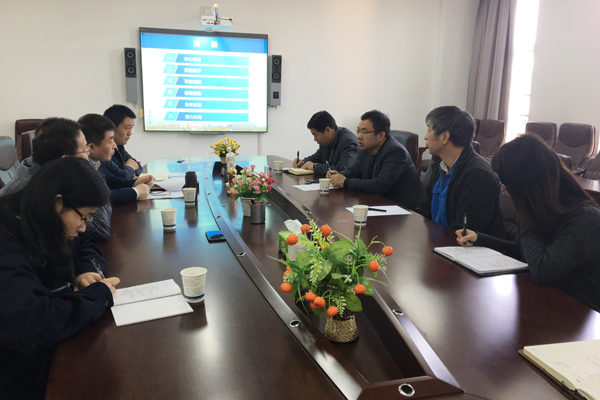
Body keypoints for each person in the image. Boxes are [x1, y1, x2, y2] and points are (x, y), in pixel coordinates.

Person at [0, 157, 120, 399]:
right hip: (22, 378)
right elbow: (34, 325)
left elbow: (84, 246)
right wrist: (98, 296)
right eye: (84, 217)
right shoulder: (6, 243)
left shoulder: (41, 220)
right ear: (58, 203)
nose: (84, 227)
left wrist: (84, 271)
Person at [457, 134, 600, 311]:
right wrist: (480, 239)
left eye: (507, 187)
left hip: (578, 314)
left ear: (527, 187)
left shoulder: (585, 220)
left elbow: (542, 270)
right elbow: (522, 251)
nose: (507, 193)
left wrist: (528, 215)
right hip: (543, 304)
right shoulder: (545, 211)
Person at [0, 117, 111, 241]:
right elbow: (100, 229)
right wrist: (89, 170)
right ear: (66, 159)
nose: (88, 155)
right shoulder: (40, 189)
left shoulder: (39, 164)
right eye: (85, 150)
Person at [418, 106, 504, 237]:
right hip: (437, 240)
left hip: (462, 247)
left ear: (444, 136)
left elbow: (464, 231)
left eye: (429, 130)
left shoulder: (478, 176)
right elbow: (424, 211)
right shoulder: (440, 167)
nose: (425, 137)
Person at [328, 110, 422, 210]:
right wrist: (338, 175)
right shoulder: (367, 149)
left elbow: (380, 185)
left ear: (381, 135)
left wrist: (345, 182)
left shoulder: (396, 152)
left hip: (402, 209)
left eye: (364, 132)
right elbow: (355, 170)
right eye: (358, 131)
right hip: (378, 202)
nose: (359, 136)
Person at [78, 114, 151, 205]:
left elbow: (112, 181)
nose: (114, 145)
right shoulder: (80, 169)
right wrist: (136, 192)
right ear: (92, 147)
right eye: (110, 141)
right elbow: (98, 197)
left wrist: (135, 183)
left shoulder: (98, 161)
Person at [292, 111, 358, 175]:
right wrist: (303, 162)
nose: (315, 139)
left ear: (328, 130)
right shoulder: (326, 141)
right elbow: (317, 157)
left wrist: (314, 167)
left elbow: (342, 169)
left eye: (316, 135)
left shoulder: (349, 142)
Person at [103, 104, 143, 179]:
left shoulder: (119, 147)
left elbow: (137, 165)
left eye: (131, 128)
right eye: (127, 128)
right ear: (112, 127)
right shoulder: (104, 150)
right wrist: (129, 169)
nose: (130, 133)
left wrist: (128, 171)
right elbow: (122, 176)